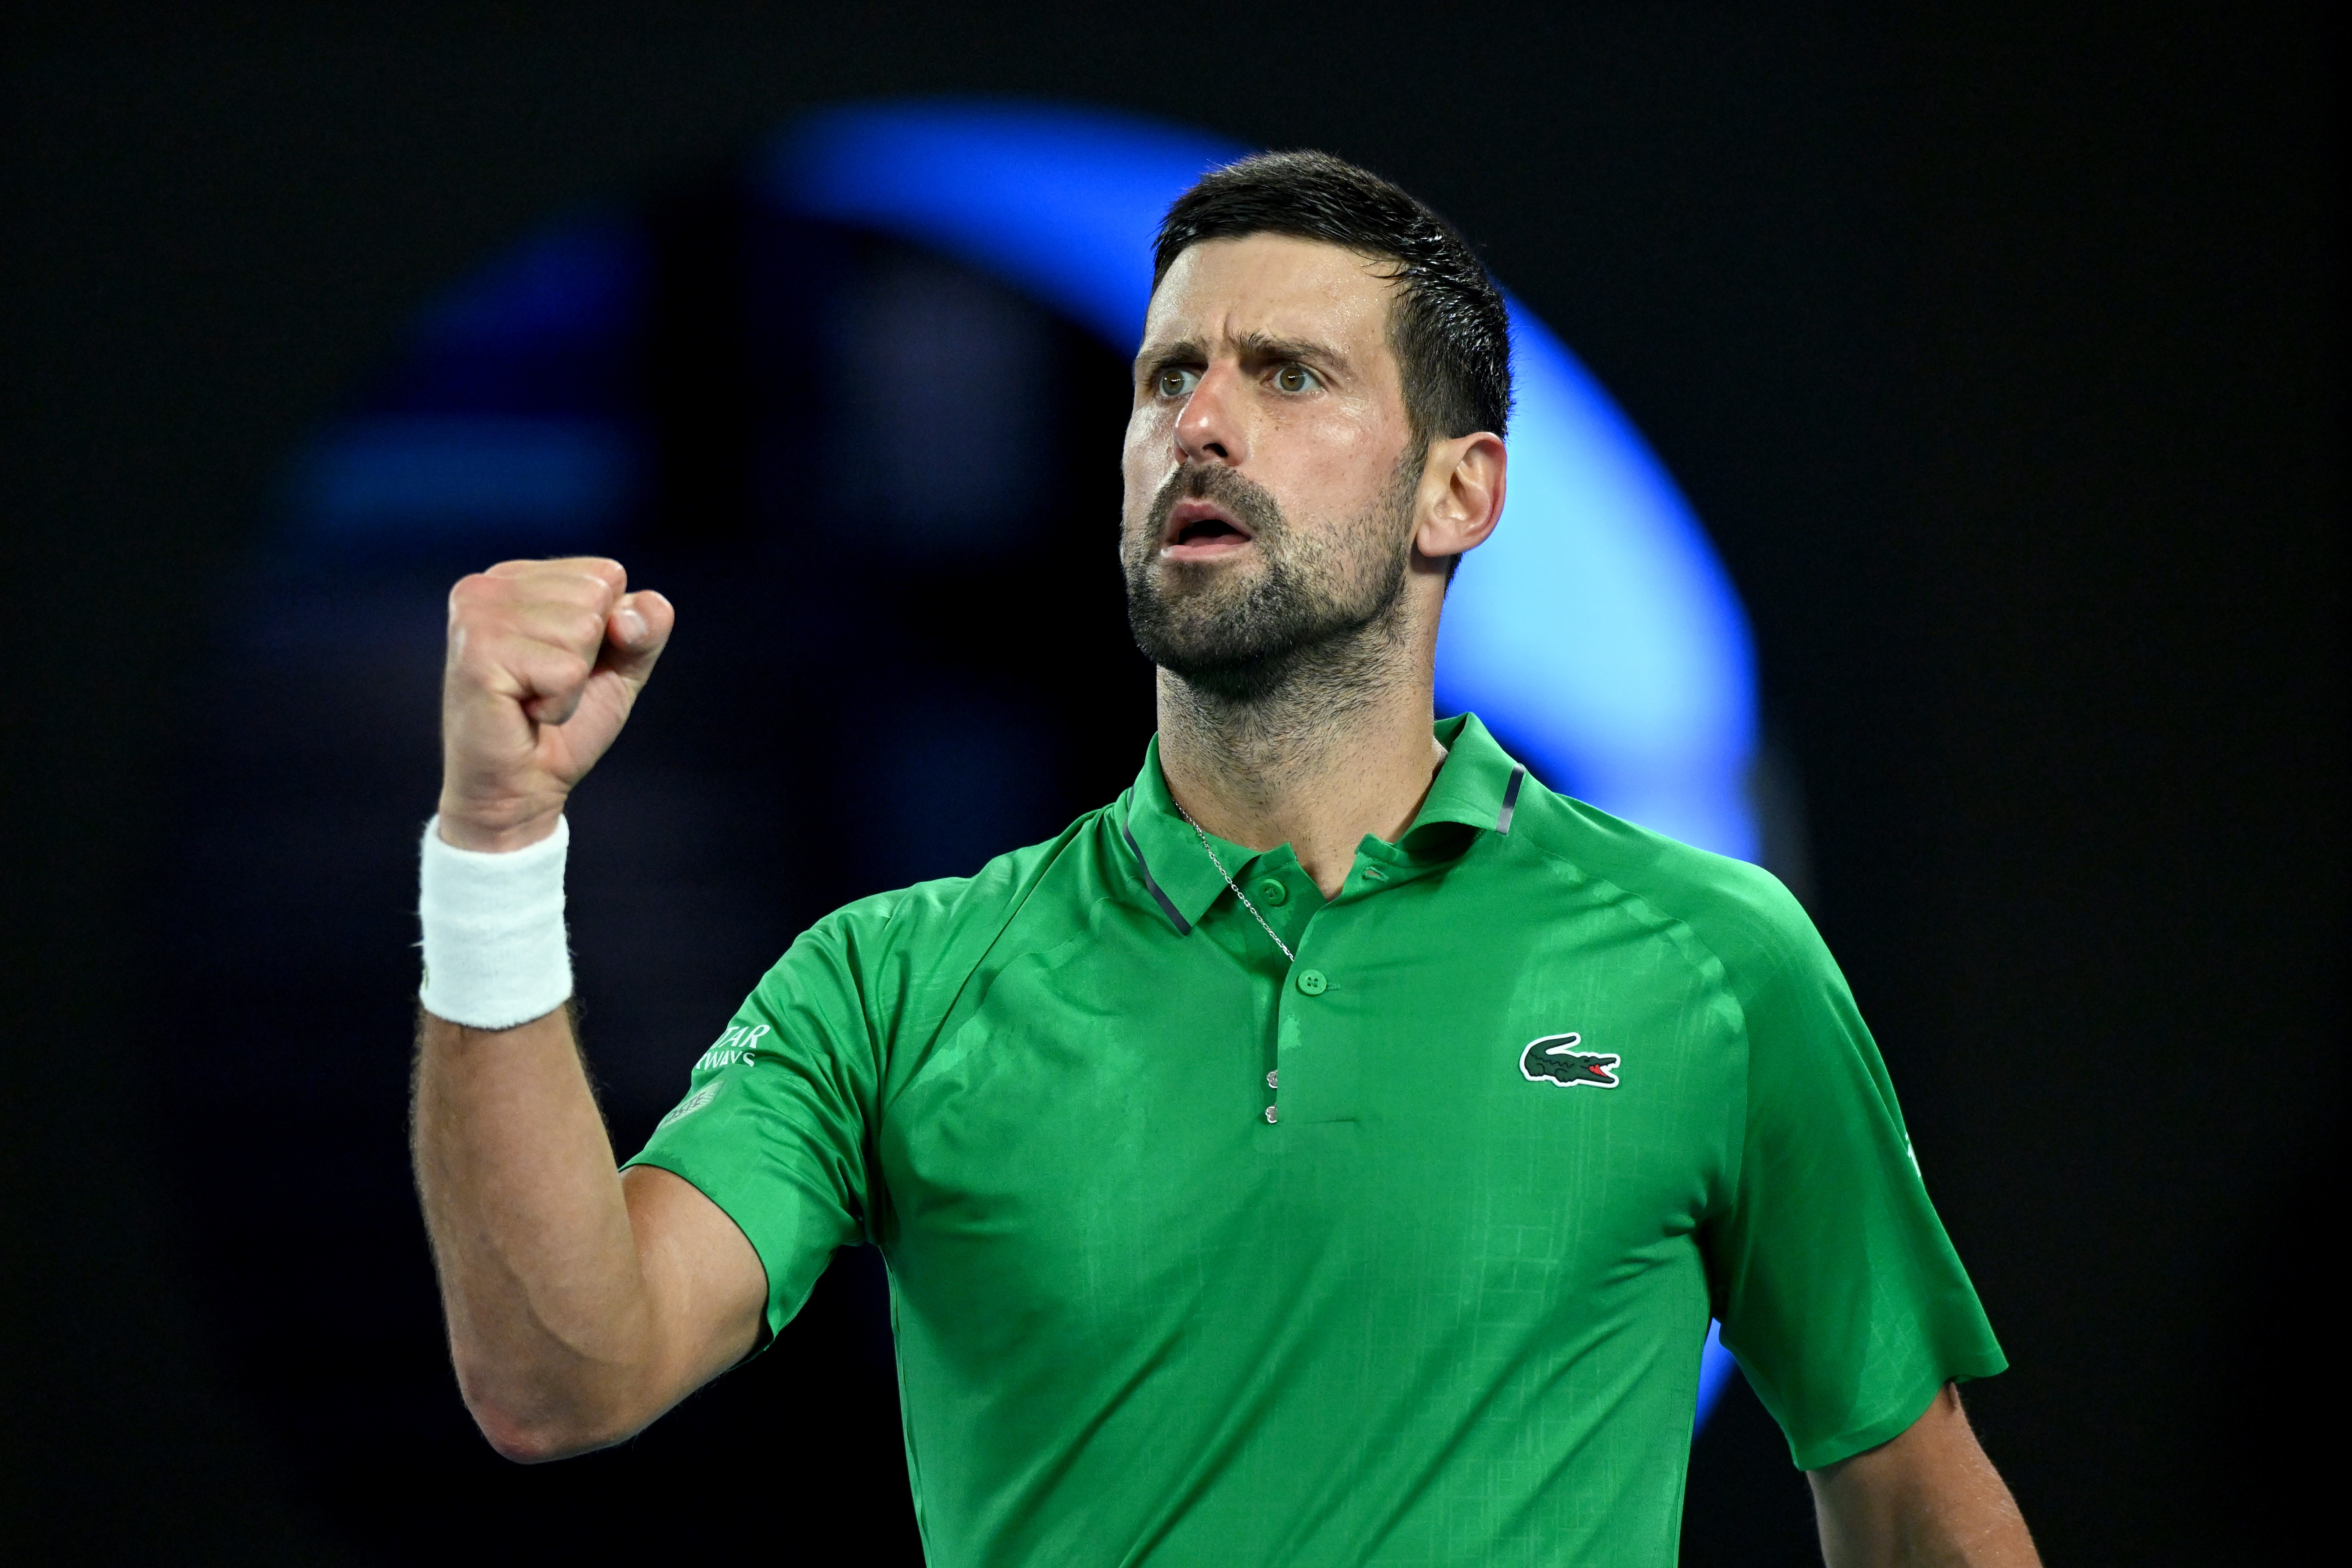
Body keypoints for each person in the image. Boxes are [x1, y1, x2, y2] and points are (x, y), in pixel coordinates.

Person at [410, 151, 2039, 1566]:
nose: (1201, 422)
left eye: (1290, 374)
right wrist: (496, 844)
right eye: (1166, 375)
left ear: (1458, 493)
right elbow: (562, 1377)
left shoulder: (1714, 965)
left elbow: (1908, 1498)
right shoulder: (894, 981)